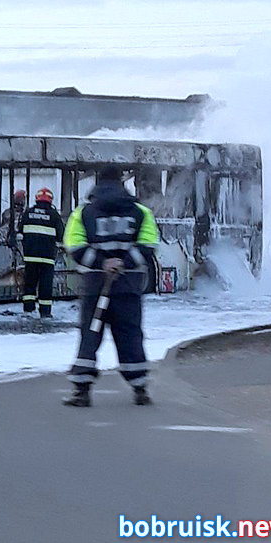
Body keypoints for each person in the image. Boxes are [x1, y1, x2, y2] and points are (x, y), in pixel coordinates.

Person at [62, 166, 159, 407]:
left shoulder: (83, 213)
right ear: (122, 182)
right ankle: (140, 389)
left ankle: (81, 392)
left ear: (97, 182)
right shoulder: (141, 212)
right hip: (128, 287)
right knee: (130, 334)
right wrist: (123, 263)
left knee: (91, 334)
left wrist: (101, 263)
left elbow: (74, 246)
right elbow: (148, 245)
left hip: (95, 287)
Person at [18, 187, 64, 318]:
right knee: (45, 284)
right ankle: (45, 312)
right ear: (50, 200)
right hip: (47, 257)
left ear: (37, 199)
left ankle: (28, 309)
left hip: (30, 256)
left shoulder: (28, 212)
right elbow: (61, 236)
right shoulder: (54, 215)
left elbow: (20, 230)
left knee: (30, 283)